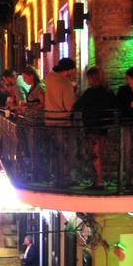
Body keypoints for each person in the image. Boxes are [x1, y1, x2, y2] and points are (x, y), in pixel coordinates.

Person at [72, 66, 116, 189]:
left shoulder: (90, 93)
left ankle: (99, 181)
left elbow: (77, 106)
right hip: (103, 127)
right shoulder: (108, 92)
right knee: (100, 154)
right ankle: (100, 179)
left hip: (92, 127)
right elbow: (114, 107)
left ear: (92, 78)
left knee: (95, 155)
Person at [44, 58, 77, 186]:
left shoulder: (49, 78)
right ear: (68, 70)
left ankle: (55, 177)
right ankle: (64, 178)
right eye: (73, 70)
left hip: (49, 119)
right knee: (66, 151)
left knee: (54, 150)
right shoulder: (66, 83)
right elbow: (69, 106)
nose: (74, 73)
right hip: (62, 122)